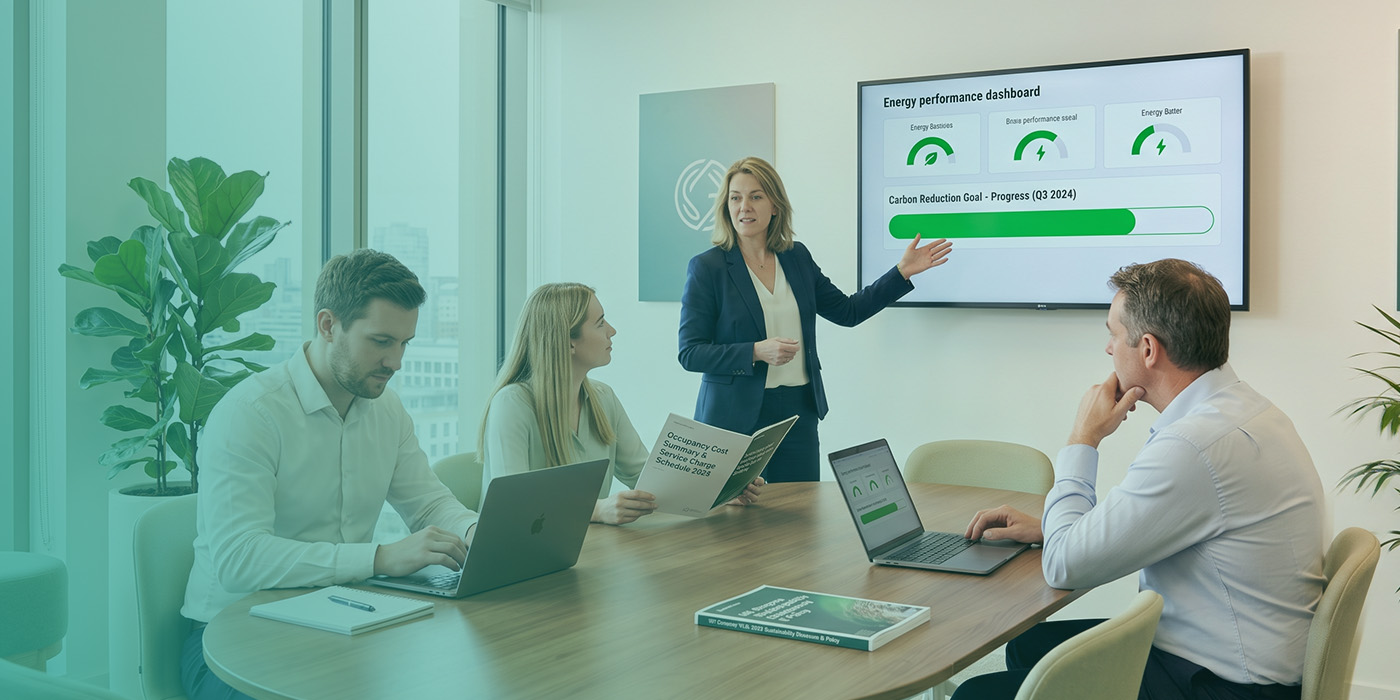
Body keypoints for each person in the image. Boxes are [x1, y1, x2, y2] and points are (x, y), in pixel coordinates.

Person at [956, 259, 1325, 700]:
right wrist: (1051, 529)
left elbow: (1064, 567)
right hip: (1245, 657)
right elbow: (1153, 520)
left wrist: (1083, 438)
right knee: (1029, 647)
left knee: (975, 694)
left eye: (1113, 334)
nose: (1108, 349)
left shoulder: (1193, 446)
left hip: (1226, 685)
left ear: (1148, 349)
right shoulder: (1244, 409)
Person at [179, 250, 479, 700]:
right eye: (381, 341)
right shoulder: (250, 414)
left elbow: (429, 504)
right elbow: (240, 559)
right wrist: (378, 558)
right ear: (327, 325)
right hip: (231, 639)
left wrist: (477, 532)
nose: (396, 361)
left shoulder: (386, 409)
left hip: (344, 619)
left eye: (405, 343)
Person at [678, 156, 952, 482]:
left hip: (798, 412)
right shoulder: (708, 268)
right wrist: (756, 351)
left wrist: (901, 272)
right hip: (735, 416)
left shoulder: (796, 257)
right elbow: (690, 352)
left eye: (755, 196)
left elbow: (848, 311)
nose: (744, 207)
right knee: (739, 512)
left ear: (775, 205)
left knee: (801, 508)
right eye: (735, 198)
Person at [480, 283, 764, 524]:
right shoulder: (512, 404)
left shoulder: (603, 398)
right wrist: (595, 510)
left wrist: (721, 490)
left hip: (585, 550)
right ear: (568, 342)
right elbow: (512, 504)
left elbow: (647, 480)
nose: (612, 331)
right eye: (600, 323)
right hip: (521, 558)